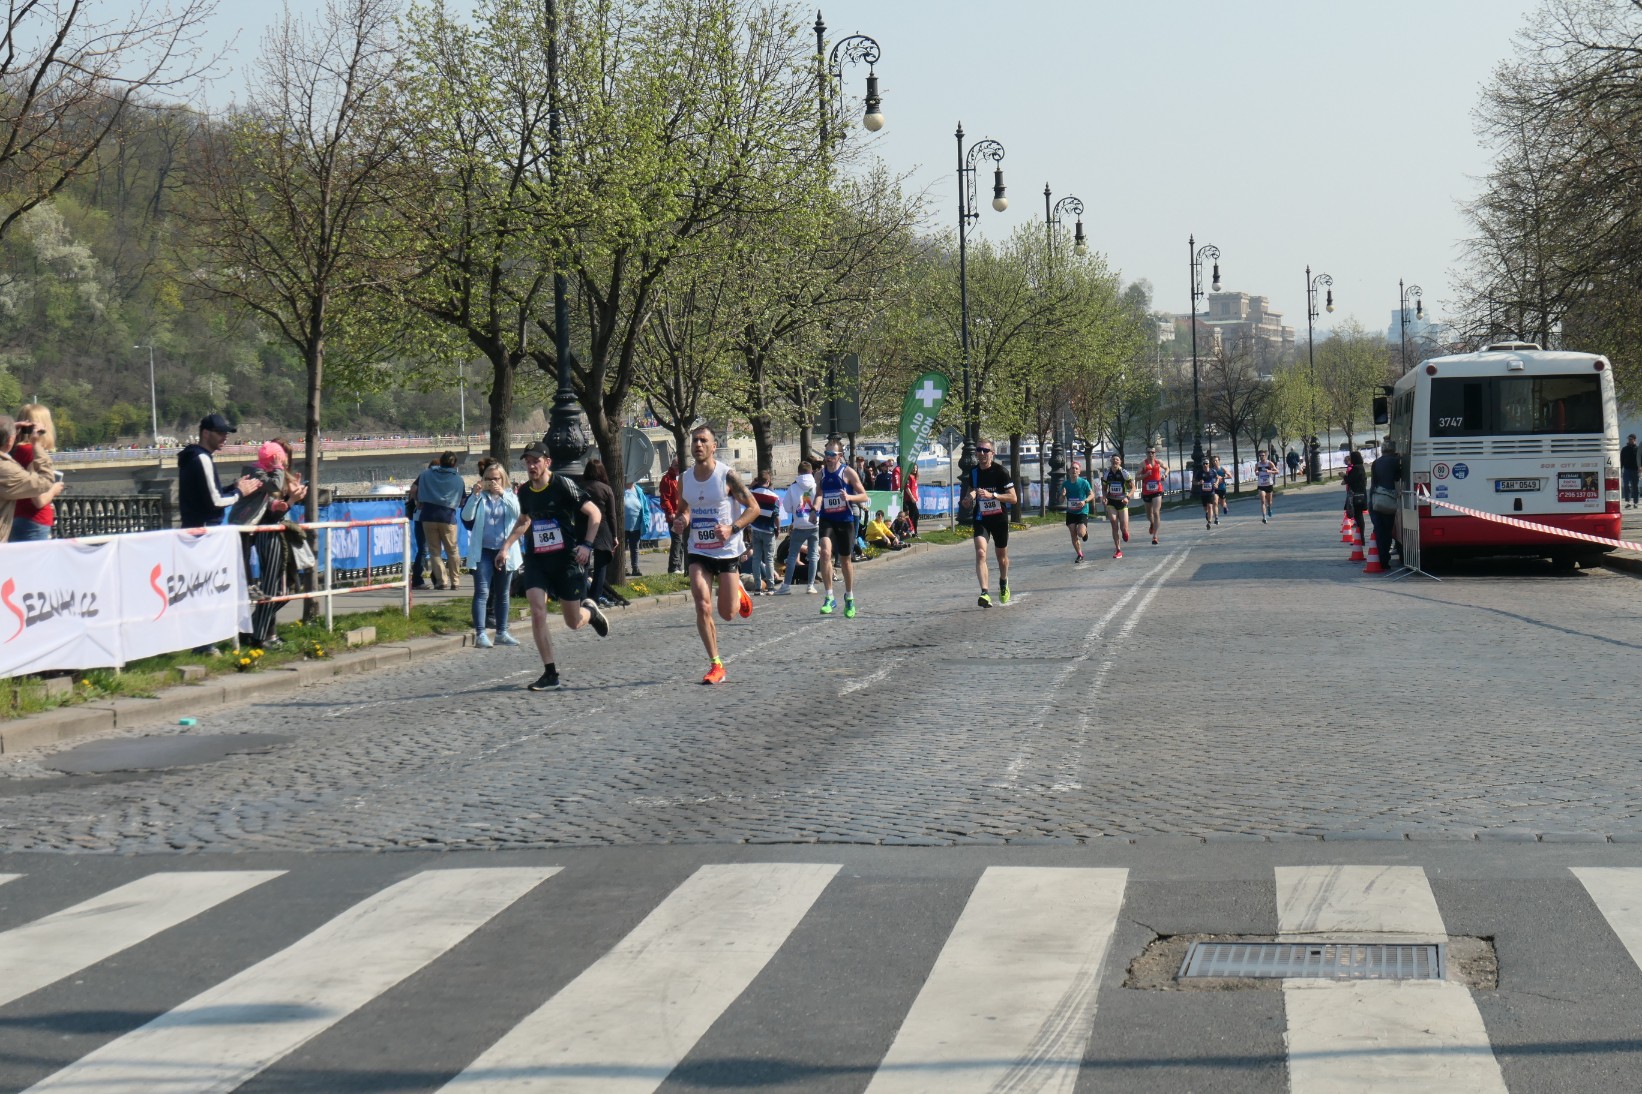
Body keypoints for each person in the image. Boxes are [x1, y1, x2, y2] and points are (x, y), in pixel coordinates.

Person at [495, 441, 611, 692]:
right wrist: (506, 547)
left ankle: (590, 611)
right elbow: (524, 520)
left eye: (536, 461)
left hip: (565, 560)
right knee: (538, 610)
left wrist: (587, 545)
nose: (531, 466)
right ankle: (550, 673)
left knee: (573, 621)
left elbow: (594, 513)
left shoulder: (562, 485)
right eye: (527, 462)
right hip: (537, 559)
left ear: (547, 462)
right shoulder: (525, 492)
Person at [672, 425, 759, 684]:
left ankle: (738, 591)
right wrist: (681, 520)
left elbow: (753, 508)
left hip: (726, 551)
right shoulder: (684, 479)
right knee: (702, 604)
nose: (698, 445)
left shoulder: (727, 476)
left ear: (713, 447)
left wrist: (732, 528)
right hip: (698, 549)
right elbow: (684, 510)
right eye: (694, 441)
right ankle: (716, 664)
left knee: (728, 614)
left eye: (703, 441)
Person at [236, 440, 308, 649]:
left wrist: (291, 497)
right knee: (274, 588)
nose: (283, 462)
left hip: (278, 535)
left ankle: (253, 630)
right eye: (280, 457)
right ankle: (258, 635)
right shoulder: (265, 476)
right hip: (269, 535)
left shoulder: (278, 477)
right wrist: (290, 500)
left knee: (286, 588)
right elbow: (269, 515)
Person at [461, 461, 521, 647]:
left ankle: (502, 632)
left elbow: (518, 514)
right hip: (483, 551)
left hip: (504, 551)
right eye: (488, 479)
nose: (492, 482)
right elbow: (466, 516)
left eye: (496, 479)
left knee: (503, 592)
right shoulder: (480, 497)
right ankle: (480, 633)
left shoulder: (510, 495)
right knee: (482, 592)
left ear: (503, 479)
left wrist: (503, 494)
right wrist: (474, 496)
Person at [177, 412, 258, 530]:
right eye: (220, 433)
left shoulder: (193, 456)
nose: (225, 437)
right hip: (204, 531)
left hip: (195, 529)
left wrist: (233, 487)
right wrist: (239, 493)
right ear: (206, 433)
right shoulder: (202, 459)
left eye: (226, 433)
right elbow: (216, 501)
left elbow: (206, 495)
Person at [814, 442, 869, 617]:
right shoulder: (820, 474)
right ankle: (829, 597)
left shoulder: (848, 472)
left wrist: (850, 497)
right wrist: (815, 509)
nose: (828, 457)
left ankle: (849, 597)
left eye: (832, 454)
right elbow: (819, 494)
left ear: (839, 456)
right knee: (825, 553)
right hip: (827, 519)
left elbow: (864, 495)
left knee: (845, 561)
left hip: (845, 520)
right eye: (826, 454)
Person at [964, 439, 1017, 606]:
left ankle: (1003, 581)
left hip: (999, 518)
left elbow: (1013, 498)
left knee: (1002, 558)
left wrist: (992, 495)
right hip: (981, 518)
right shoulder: (973, 472)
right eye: (979, 450)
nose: (981, 453)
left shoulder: (1001, 472)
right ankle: (985, 593)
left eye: (985, 450)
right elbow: (972, 491)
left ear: (992, 453)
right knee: (981, 552)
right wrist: (968, 499)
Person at [0, 414, 63, 543]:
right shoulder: (7, 465)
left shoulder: (16, 452)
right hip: (36, 519)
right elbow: (44, 483)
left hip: (18, 517)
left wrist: (8, 430)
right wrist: (37, 445)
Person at [413, 452, 466, 590]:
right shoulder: (458, 479)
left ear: (440, 461)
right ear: (454, 464)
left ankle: (442, 580)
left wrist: (418, 501)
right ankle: (455, 581)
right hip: (447, 517)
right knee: (452, 550)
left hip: (428, 516)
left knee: (434, 551)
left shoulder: (425, 474)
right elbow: (462, 501)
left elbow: (415, 490)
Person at [578, 459, 620, 607]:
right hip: (602, 529)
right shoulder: (606, 489)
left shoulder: (579, 487)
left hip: (583, 529)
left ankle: (582, 598)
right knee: (600, 568)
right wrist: (614, 535)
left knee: (583, 565)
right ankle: (594, 598)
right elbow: (611, 515)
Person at [776, 460, 818, 594]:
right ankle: (811, 585)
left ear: (798, 472)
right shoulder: (816, 485)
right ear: (811, 472)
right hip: (814, 523)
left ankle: (786, 585)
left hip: (799, 524)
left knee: (792, 555)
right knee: (813, 556)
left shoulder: (793, 487)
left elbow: (787, 508)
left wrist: (796, 510)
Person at [747, 470, 782, 594]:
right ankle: (770, 587)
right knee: (769, 559)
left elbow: (746, 493)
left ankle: (758, 588)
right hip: (768, 530)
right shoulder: (774, 496)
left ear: (758, 480)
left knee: (756, 559)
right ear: (768, 481)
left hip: (755, 529)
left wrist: (753, 483)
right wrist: (778, 529)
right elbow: (776, 516)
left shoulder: (752, 494)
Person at [1368, 440, 1401, 569]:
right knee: (1387, 531)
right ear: (1393, 450)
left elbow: (1374, 481)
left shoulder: (1376, 462)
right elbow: (1397, 478)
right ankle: (1384, 560)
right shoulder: (1395, 461)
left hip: (1375, 499)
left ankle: (1378, 558)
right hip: (1387, 500)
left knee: (1378, 530)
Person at [1101, 453, 1135, 559]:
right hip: (1111, 502)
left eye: (1117, 460)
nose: (1115, 461)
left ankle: (1125, 532)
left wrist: (1127, 497)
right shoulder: (1107, 474)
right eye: (1113, 459)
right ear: (1111, 461)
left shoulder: (1124, 473)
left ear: (1120, 462)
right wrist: (1104, 497)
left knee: (1123, 528)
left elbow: (1133, 487)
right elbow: (1104, 489)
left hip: (1122, 502)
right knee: (1113, 523)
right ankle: (1118, 550)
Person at [1063, 459, 1093, 563]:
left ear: (1079, 471)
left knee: (1080, 533)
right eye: (1072, 468)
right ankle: (1080, 554)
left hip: (1082, 511)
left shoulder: (1084, 482)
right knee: (1073, 533)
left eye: (1076, 468)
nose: (1074, 470)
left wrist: (1085, 501)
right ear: (1069, 471)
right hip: (1071, 512)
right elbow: (1061, 500)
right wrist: (1062, 495)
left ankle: (1084, 533)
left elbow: (1092, 494)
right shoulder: (1065, 484)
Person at [659, 458, 684, 574]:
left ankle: (678, 566)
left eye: (679, 466)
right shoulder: (667, 479)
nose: (677, 468)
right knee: (677, 540)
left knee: (681, 541)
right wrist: (670, 513)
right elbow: (665, 499)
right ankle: (673, 567)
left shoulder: (682, 477)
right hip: (674, 515)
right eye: (675, 466)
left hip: (682, 514)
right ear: (672, 466)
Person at [1138, 446, 1167, 545]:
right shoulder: (1143, 464)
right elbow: (1136, 477)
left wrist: (1165, 475)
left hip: (1157, 490)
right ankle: (1152, 523)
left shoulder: (1158, 462)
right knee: (1149, 514)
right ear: (1146, 454)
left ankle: (1155, 536)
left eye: (1152, 452)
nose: (1150, 454)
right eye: (1148, 452)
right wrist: (1145, 475)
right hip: (1147, 492)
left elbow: (1167, 468)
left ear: (1155, 453)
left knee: (1156, 512)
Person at [1342, 448, 1368, 541]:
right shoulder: (1361, 467)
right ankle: (1361, 538)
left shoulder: (1356, 468)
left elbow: (1350, 480)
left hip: (1357, 495)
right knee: (1358, 515)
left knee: (1358, 516)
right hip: (1361, 494)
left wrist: (1343, 476)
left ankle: (1361, 538)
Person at [623, 478, 647, 575]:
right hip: (622, 527)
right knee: (622, 548)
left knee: (635, 548)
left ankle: (635, 568)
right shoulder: (621, 490)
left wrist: (645, 522)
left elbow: (645, 508)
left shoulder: (638, 490)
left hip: (636, 525)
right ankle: (623, 568)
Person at [1254, 449, 1279, 523]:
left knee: (1269, 502)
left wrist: (1270, 471)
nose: (1261, 457)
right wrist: (1257, 472)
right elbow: (1256, 471)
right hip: (1261, 485)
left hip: (1269, 484)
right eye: (1260, 455)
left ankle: (1269, 508)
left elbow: (1277, 471)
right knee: (1262, 501)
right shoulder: (1257, 464)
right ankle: (1264, 517)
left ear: (1265, 456)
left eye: (1263, 455)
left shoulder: (1269, 463)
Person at [1197, 458, 1217, 530]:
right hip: (1203, 493)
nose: (1205, 465)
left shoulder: (1213, 471)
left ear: (1209, 464)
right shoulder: (1200, 473)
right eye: (1204, 464)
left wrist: (1216, 484)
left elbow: (1217, 478)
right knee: (1206, 508)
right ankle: (1206, 513)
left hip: (1211, 492)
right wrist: (1199, 483)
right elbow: (1194, 481)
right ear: (1202, 465)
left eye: (1206, 463)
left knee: (1210, 506)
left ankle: (1209, 522)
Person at [902, 465, 920, 534]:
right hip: (909, 499)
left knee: (913, 515)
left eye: (916, 468)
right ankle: (912, 531)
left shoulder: (914, 477)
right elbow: (907, 488)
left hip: (914, 499)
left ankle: (914, 532)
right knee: (915, 514)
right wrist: (912, 497)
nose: (915, 469)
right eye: (913, 468)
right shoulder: (908, 476)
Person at [1209, 453, 1229, 518]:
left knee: (1222, 503)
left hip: (1222, 488)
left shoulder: (1222, 468)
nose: (1215, 462)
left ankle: (1225, 507)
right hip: (1214, 488)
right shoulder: (1211, 470)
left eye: (1216, 460)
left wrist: (1223, 477)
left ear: (1219, 461)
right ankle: (1216, 517)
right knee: (1215, 502)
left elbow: (1230, 475)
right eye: (1213, 461)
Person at [1623, 433, 1639, 509]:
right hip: (1627, 470)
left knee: (1635, 486)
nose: (1629, 440)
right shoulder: (1624, 449)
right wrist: (1620, 468)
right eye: (1628, 439)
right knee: (1626, 485)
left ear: (1634, 440)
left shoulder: (1638, 449)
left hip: (1635, 470)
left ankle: (1635, 502)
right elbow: (1621, 460)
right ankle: (1628, 502)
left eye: (1631, 439)